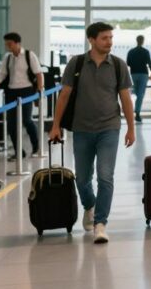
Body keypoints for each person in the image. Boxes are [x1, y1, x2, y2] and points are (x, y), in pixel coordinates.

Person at [48, 22, 135, 244]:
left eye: (110, 38)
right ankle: (89, 204)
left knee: (106, 176)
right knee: (83, 178)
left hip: (109, 128)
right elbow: (64, 96)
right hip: (82, 129)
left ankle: (100, 223)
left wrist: (131, 128)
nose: (109, 42)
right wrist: (55, 125)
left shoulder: (118, 65)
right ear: (92, 40)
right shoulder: (76, 64)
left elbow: (125, 98)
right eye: (105, 38)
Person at [0, 32, 43, 159]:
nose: (7, 46)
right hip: (11, 92)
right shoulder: (8, 57)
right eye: (6, 44)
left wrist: (40, 91)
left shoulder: (29, 55)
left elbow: (39, 74)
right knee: (11, 124)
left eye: (10, 44)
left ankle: (36, 146)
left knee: (26, 120)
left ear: (18, 43)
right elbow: (1, 74)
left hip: (27, 91)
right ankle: (19, 152)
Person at [126, 35, 151, 123]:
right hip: (143, 74)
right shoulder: (145, 51)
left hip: (134, 73)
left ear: (136, 40)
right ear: (142, 41)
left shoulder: (131, 51)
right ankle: (137, 113)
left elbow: (128, 62)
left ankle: (131, 94)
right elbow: (149, 62)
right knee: (141, 94)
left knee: (137, 91)